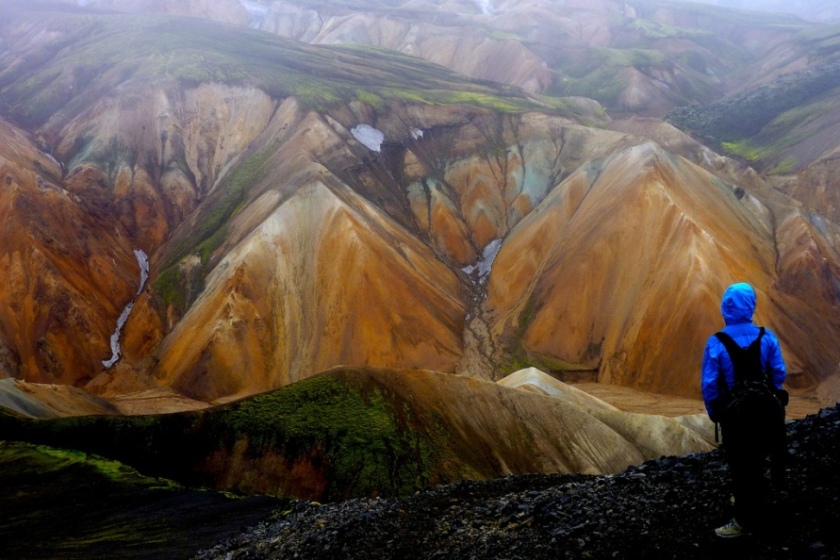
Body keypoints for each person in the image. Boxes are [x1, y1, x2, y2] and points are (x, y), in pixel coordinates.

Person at [701, 282, 787, 538]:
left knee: (741, 465)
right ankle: (770, 506)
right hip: (768, 411)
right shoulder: (767, 336)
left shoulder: (716, 343)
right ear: (751, 306)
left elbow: (709, 385)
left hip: (736, 415)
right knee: (764, 458)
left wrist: (716, 412)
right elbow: (778, 373)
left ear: (725, 308)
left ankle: (742, 519)